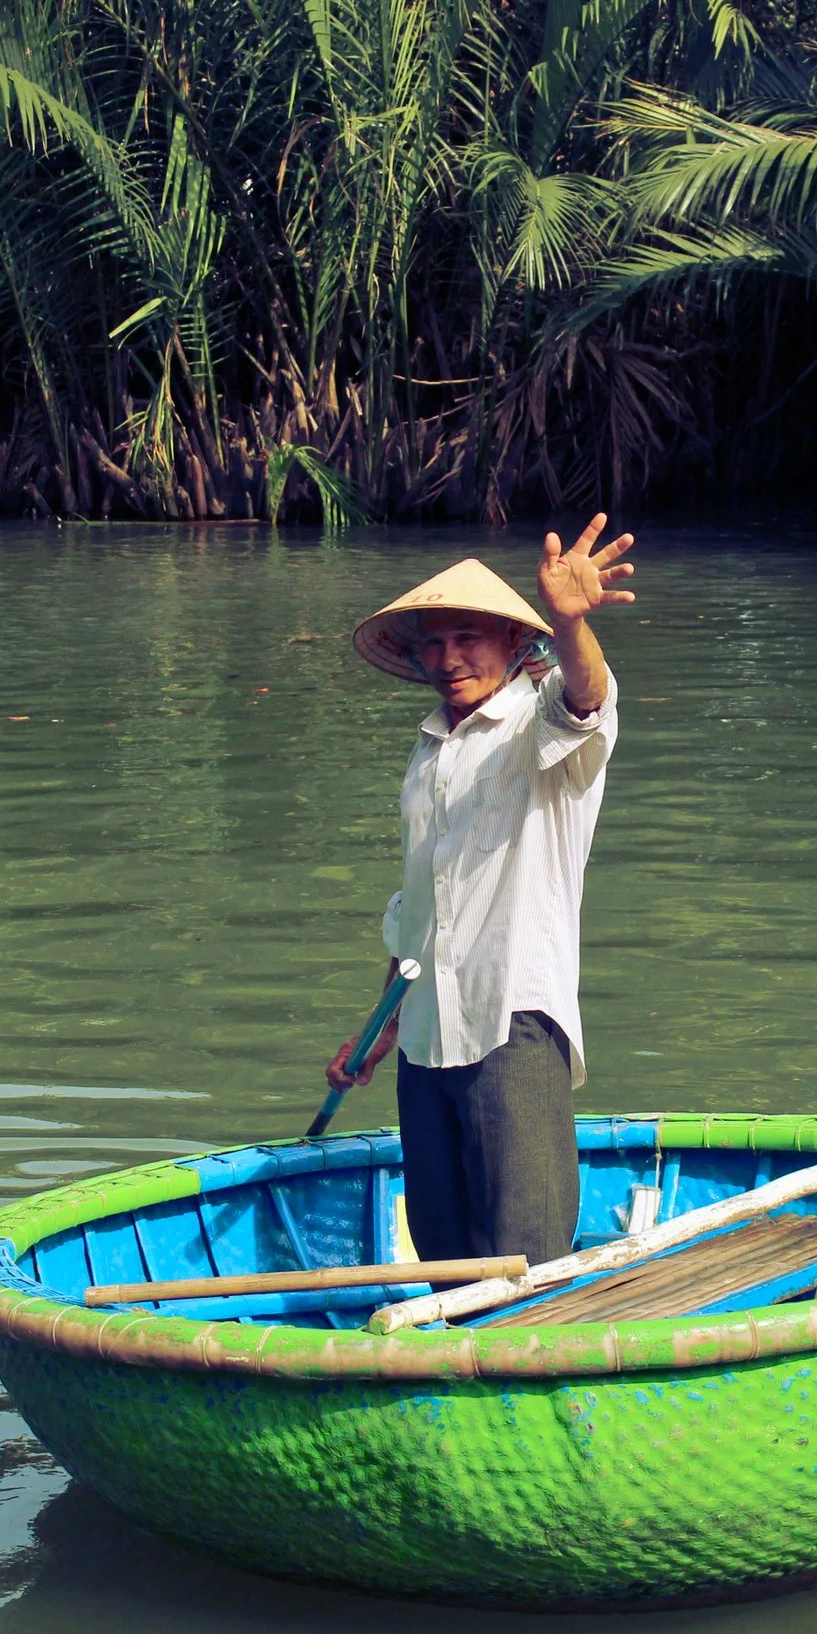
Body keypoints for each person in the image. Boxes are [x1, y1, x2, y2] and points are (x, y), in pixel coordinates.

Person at [325, 516, 637, 1265]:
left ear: (513, 643)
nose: (448, 657)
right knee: (444, 1250)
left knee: (524, 1252)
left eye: (467, 638)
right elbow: (419, 907)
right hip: (425, 1031)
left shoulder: (539, 724)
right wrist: (382, 1026)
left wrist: (570, 622)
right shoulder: (429, 749)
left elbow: (587, 699)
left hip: (513, 1018)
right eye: (434, 643)